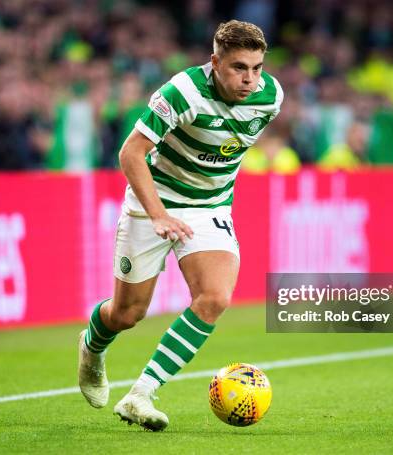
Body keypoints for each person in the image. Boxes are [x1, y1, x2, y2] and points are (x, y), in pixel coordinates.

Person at [77, 20, 283, 431]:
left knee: (215, 297)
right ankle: (91, 347)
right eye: (238, 67)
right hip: (153, 201)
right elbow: (131, 154)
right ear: (214, 62)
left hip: (209, 208)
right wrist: (158, 214)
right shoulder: (182, 93)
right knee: (127, 313)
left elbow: (229, 145)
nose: (249, 79)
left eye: (257, 67)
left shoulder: (270, 98)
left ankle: (141, 394)